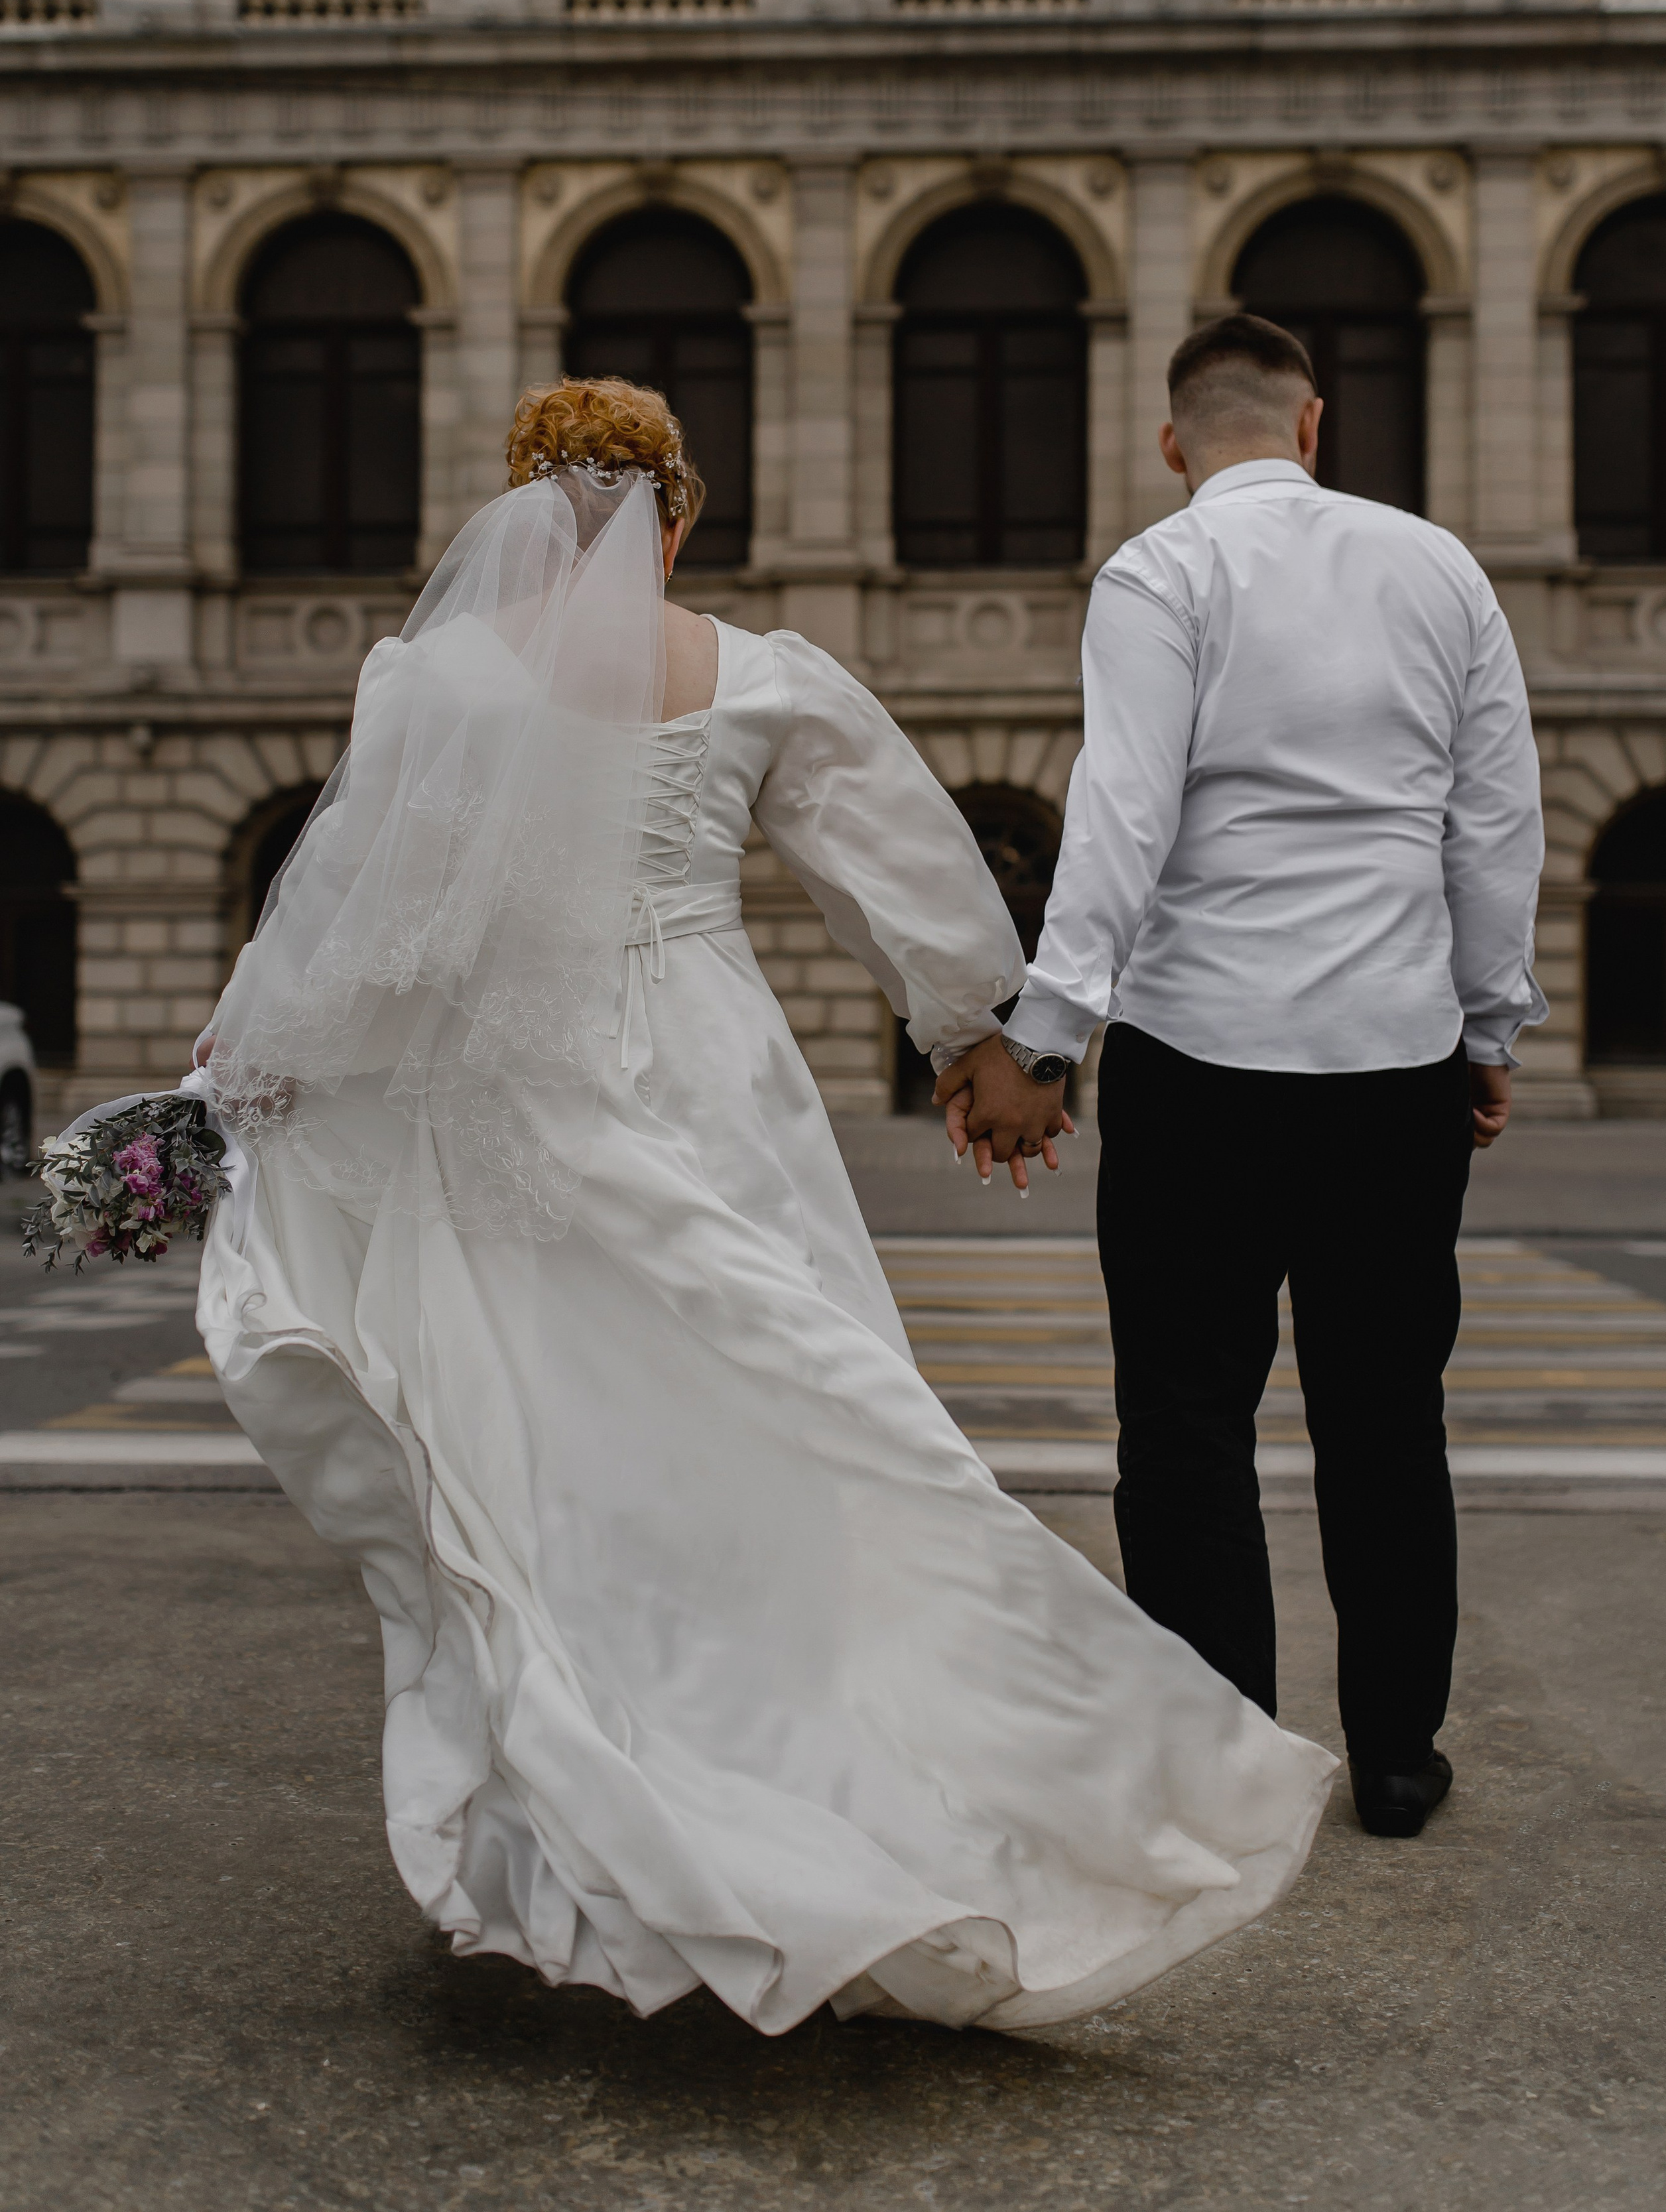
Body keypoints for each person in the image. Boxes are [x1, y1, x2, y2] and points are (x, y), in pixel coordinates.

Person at [195, 373, 1334, 2036]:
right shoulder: (757, 674)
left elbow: (367, 913)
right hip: (707, 1070)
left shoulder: (427, 678)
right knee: (786, 1413)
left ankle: (573, 1842)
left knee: (542, 1458)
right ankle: (826, 1765)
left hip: (502, 1100)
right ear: (686, 511)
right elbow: (897, 858)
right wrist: (979, 1038)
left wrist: (243, 1080)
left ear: (520, 511)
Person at [940, 314, 1546, 1843]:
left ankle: (1222, 1765)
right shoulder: (1439, 570)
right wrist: (1485, 1028)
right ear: (1312, 423)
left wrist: (1049, 1034)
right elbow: (1490, 828)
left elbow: (1121, 818)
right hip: (1390, 1065)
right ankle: (1396, 1759)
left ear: (1171, 444)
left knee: (1185, 1422)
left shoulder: (1159, 573)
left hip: (1200, 1065)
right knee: (1385, 1414)